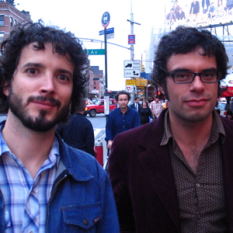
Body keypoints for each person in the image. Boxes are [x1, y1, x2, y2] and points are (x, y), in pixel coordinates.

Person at [108, 26, 233, 232]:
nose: (198, 85)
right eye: (182, 75)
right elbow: (118, 223)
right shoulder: (127, 149)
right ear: (162, 85)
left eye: (208, 74)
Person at [0, 21, 119, 232]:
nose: (48, 86)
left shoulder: (93, 175)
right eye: (33, 71)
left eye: (62, 77)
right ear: (7, 84)